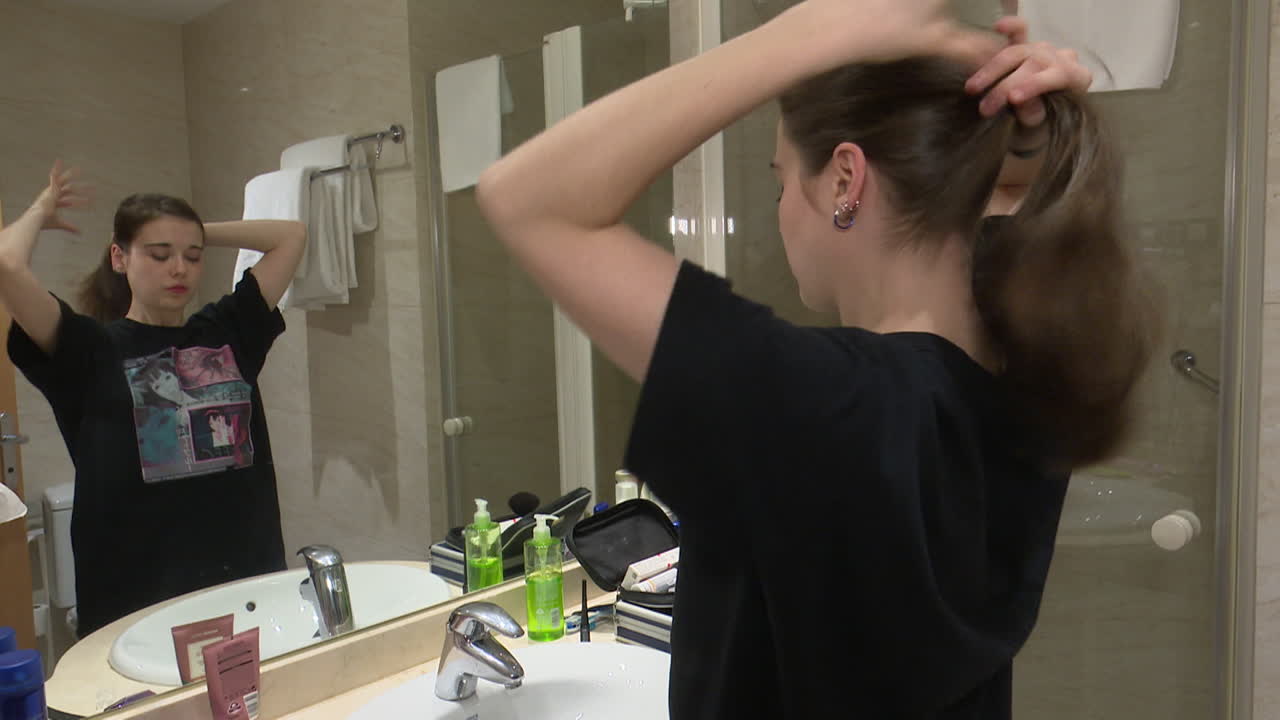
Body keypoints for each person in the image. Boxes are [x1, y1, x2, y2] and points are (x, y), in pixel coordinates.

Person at [476, 2, 1156, 718]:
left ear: (843, 180)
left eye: (779, 179)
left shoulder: (831, 403)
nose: (780, 208)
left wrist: (801, 37)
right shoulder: (1025, 388)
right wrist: (1014, 162)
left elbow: (528, 199)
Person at [0, 162, 305, 636]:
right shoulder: (88, 350)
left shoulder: (228, 331)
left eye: (192, 255)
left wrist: (194, 231)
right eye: (159, 254)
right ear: (119, 258)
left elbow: (291, 235)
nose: (179, 268)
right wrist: (42, 208)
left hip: (244, 586)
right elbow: (6, 263)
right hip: (136, 600)